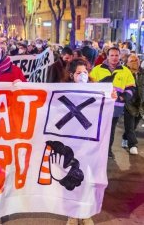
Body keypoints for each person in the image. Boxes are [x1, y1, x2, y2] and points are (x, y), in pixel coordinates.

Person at [65, 58, 116, 225]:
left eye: (85, 72)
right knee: (71, 178)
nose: (82, 76)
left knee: (88, 178)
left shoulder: (96, 91)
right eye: (78, 73)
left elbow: (105, 107)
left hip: (90, 144)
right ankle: (72, 213)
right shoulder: (63, 91)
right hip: (71, 142)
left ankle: (85, 213)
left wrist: (112, 97)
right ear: (71, 75)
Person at [90, 47, 136, 159]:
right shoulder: (97, 69)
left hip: (115, 107)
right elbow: (89, 85)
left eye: (116, 55)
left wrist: (122, 97)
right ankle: (95, 151)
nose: (114, 58)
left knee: (110, 130)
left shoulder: (126, 71)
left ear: (120, 56)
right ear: (107, 56)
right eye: (112, 55)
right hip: (99, 107)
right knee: (96, 130)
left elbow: (131, 88)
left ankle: (107, 151)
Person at [122, 54, 143, 155]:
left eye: (136, 60)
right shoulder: (124, 73)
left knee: (134, 126)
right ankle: (132, 145)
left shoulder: (142, 73)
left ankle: (125, 137)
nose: (135, 62)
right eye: (132, 60)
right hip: (128, 103)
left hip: (141, 105)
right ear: (127, 63)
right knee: (129, 126)